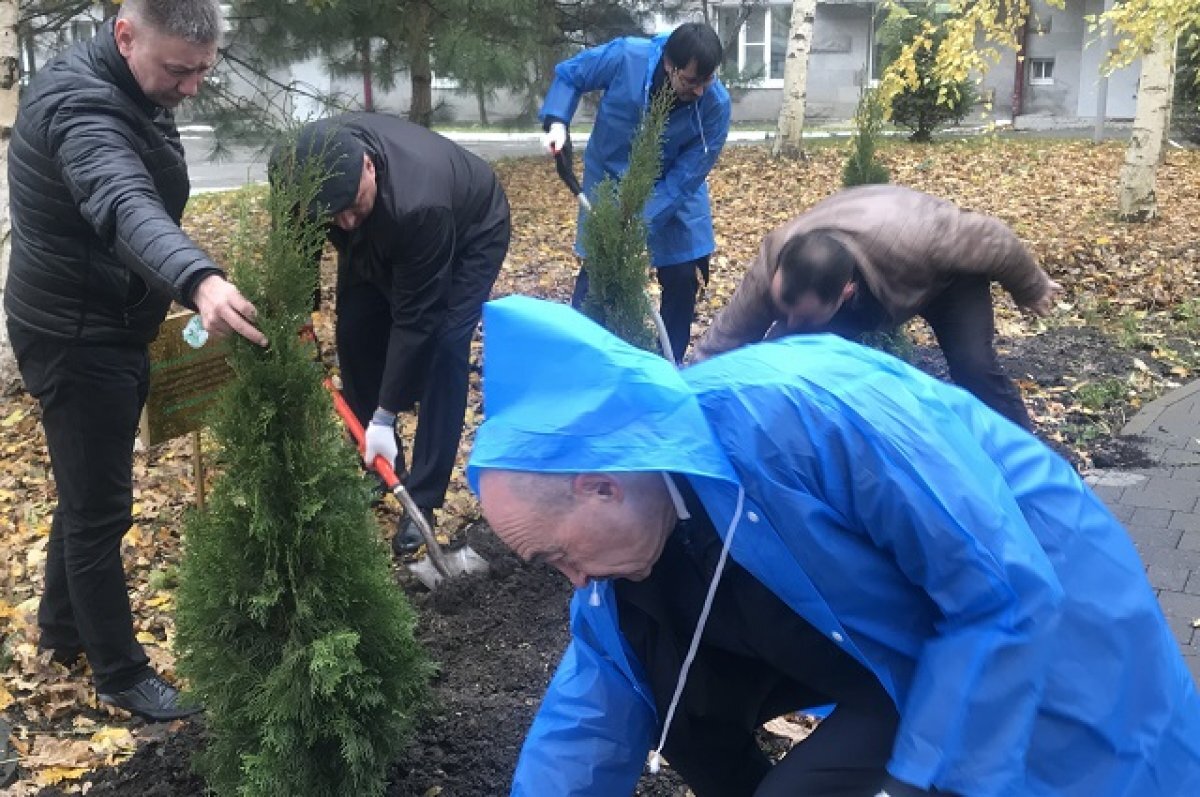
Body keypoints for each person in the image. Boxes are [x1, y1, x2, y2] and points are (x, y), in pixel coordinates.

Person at [467, 295, 1200, 797]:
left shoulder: (806, 414)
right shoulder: (628, 537)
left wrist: (913, 784)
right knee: (660, 683)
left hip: (1038, 600)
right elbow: (594, 701)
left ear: (602, 486)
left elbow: (1002, 591)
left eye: (558, 557)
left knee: (1092, 762)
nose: (571, 581)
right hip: (898, 649)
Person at [4, 0, 267, 721]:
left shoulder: (128, 82)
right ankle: (120, 673)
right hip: (76, 336)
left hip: (105, 320)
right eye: (179, 70)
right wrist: (199, 279)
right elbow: (123, 200)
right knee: (101, 511)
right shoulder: (79, 108)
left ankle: (60, 630)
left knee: (87, 490)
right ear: (124, 36)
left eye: (202, 72)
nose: (190, 89)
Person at [278, 113, 510, 555]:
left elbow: (414, 318)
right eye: (333, 212)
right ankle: (382, 466)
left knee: (443, 346)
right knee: (355, 330)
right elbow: (297, 233)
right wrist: (299, 307)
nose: (344, 221)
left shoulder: (419, 203)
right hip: (387, 227)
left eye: (351, 204)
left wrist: (385, 413)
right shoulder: (300, 170)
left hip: (469, 233)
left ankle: (422, 498)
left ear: (369, 166)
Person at [693, 184, 1063, 429]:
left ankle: (1025, 457)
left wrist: (1032, 287)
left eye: (802, 315)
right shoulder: (773, 265)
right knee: (791, 359)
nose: (789, 320)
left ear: (846, 293)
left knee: (974, 365)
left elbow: (993, 238)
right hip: (868, 277)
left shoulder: (922, 236)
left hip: (946, 282)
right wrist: (690, 393)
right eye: (783, 308)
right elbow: (723, 342)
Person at [540, 21, 731, 363]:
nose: (700, 91)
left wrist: (637, 221)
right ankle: (582, 362)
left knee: (683, 276)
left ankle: (663, 367)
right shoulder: (626, 57)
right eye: (691, 81)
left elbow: (686, 178)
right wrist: (557, 123)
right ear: (669, 65)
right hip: (609, 180)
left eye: (707, 80)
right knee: (599, 275)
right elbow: (571, 74)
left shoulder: (715, 105)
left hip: (673, 191)